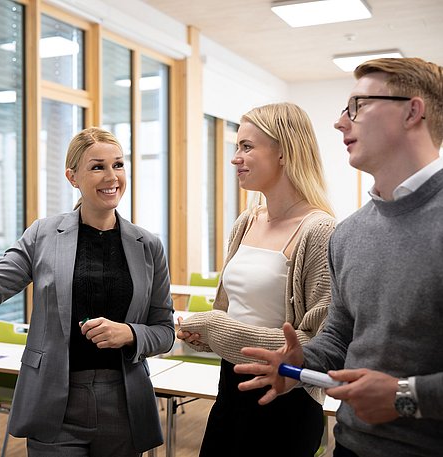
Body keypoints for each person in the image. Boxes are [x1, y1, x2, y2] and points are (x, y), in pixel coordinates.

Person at [234, 57, 443, 457]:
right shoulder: (350, 232)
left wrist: (408, 395)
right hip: (349, 444)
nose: (340, 122)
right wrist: (298, 362)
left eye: (357, 107)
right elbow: (339, 336)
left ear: (412, 111)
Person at [0, 126, 175, 456]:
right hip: (55, 401)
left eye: (118, 165)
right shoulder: (44, 235)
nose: (112, 177)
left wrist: (130, 334)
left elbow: (165, 331)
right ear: (72, 176)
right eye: (97, 166)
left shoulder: (148, 245)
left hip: (123, 402)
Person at [177, 102, 336, 456]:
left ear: (284, 152)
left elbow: (315, 343)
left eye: (247, 147)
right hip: (230, 388)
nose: (235, 158)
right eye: (237, 147)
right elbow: (228, 313)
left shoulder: (319, 230)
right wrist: (203, 336)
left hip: (284, 398)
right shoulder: (246, 222)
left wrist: (217, 328)